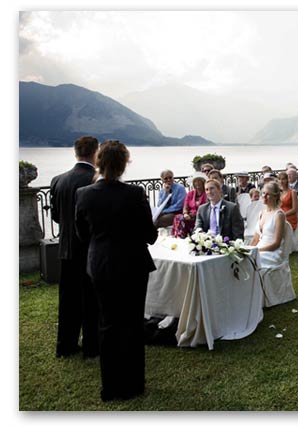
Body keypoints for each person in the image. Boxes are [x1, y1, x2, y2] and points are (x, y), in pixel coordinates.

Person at [75, 140, 157, 402]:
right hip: (133, 265)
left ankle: (110, 388)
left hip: (101, 265)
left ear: (98, 162)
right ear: (124, 164)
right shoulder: (135, 194)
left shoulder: (84, 194)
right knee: (133, 323)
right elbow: (150, 235)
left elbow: (81, 233)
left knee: (107, 325)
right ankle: (135, 384)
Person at [50, 135, 100, 358]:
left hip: (66, 248)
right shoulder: (94, 180)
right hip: (88, 249)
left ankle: (65, 345)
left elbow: (56, 217)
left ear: (76, 153)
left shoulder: (57, 180)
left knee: (67, 300)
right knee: (91, 300)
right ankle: (91, 346)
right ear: (95, 153)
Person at [250, 182, 287, 267]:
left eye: (268, 194)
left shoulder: (279, 215)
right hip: (259, 249)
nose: (264, 196)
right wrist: (247, 250)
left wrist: (258, 251)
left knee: (252, 263)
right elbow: (256, 239)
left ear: (275, 196)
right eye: (263, 193)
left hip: (272, 252)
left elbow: (276, 243)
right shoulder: (261, 213)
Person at [170, 173, 208, 238]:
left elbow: (206, 208)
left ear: (203, 182)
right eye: (195, 181)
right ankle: (180, 236)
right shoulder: (191, 193)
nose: (197, 183)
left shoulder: (206, 193)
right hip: (190, 215)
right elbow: (186, 205)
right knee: (178, 217)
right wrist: (185, 213)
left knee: (183, 219)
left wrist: (195, 214)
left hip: (200, 216)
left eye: (199, 181)